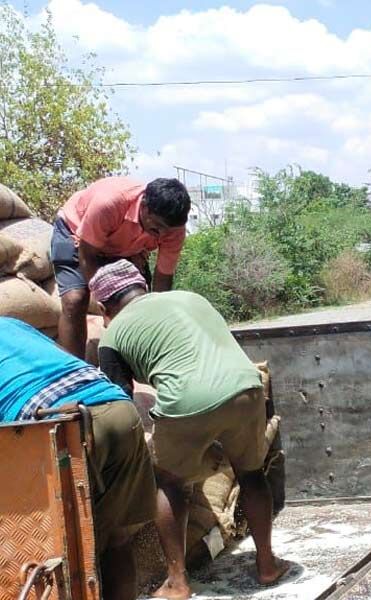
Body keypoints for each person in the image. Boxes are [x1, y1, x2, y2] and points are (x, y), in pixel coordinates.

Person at [91, 260, 287, 599]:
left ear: (104, 306)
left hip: (187, 401)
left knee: (170, 483)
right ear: (142, 285)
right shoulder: (191, 298)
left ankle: (177, 582)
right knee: (252, 474)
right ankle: (267, 565)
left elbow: (119, 400)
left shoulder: (113, 334)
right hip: (246, 385)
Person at [0, 316, 156, 600]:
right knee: (117, 541)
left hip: (59, 427)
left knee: (71, 550)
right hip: (118, 408)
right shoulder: (10, 324)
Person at [50, 176, 191, 358]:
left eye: (168, 230)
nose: (163, 234)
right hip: (78, 236)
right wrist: (108, 304)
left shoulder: (174, 229)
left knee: (137, 304)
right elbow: (87, 255)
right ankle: (72, 370)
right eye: (158, 228)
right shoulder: (109, 203)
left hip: (124, 247)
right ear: (145, 207)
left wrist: (158, 316)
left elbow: (163, 278)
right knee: (75, 301)